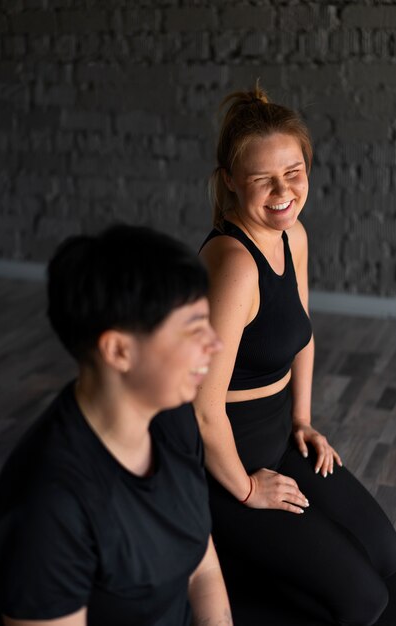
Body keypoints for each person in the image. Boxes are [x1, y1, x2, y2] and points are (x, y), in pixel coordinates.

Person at [194, 86, 396, 626]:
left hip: (278, 440)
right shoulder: (233, 264)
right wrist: (245, 487)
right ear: (231, 181)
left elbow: (301, 336)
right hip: (222, 468)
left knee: (386, 556)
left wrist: (302, 421)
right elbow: (203, 408)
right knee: (360, 601)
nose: (284, 190)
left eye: (295, 170)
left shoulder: (292, 235)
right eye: (263, 178)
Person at [0, 223, 233, 626]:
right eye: (193, 327)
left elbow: (204, 570)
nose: (216, 344)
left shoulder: (174, 419)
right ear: (118, 350)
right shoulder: (45, 509)